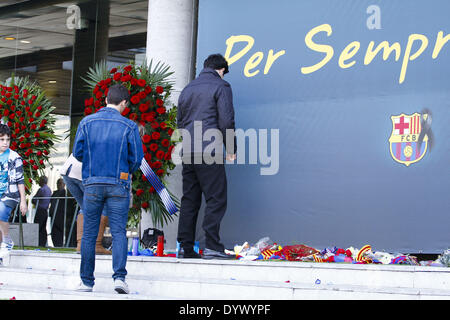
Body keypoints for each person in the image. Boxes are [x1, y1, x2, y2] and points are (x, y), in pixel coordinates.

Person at [73, 84, 143, 294]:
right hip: (118, 183)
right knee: (119, 232)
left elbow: (78, 153)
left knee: (88, 234)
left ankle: (86, 282)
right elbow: (137, 159)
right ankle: (119, 278)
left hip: (92, 183)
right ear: (124, 103)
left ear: (105, 100)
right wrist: (125, 171)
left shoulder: (87, 122)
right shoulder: (129, 126)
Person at [176, 53, 237, 260]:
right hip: (209, 150)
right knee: (216, 198)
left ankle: (185, 247)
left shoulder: (187, 89)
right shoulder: (221, 86)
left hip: (188, 150)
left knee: (189, 199)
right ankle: (212, 246)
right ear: (221, 70)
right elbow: (226, 120)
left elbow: (180, 122)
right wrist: (231, 148)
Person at [60, 154, 111, 254]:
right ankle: (96, 244)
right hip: (84, 172)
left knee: (85, 206)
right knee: (103, 206)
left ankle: (81, 245)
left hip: (68, 170)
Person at [0, 124, 27, 264]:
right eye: (2, 139)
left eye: (7, 139)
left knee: (1, 211)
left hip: (10, 194)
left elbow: (20, 180)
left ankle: (7, 240)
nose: (5, 142)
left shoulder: (14, 157)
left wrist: (23, 201)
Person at [32, 176, 52, 247]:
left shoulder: (41, 189)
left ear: (42, 181)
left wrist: (36, 201)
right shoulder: (49, 189)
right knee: (43, 227)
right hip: (45, 210)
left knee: (38, 227)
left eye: (40, 180)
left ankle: (38, 243)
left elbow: (33, 199)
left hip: (40, 210)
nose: (38, 182)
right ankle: (43, 243)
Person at [49, 178, 66, 247]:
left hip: (60, 215)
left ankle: (59, 244)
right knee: (53, 230)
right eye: (57, 183)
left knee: (59, 231)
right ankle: (55, 244)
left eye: (60, 183)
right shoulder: (55, 192)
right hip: (53, 214)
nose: (58, 185)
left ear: (64, 184)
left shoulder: (64, 193)